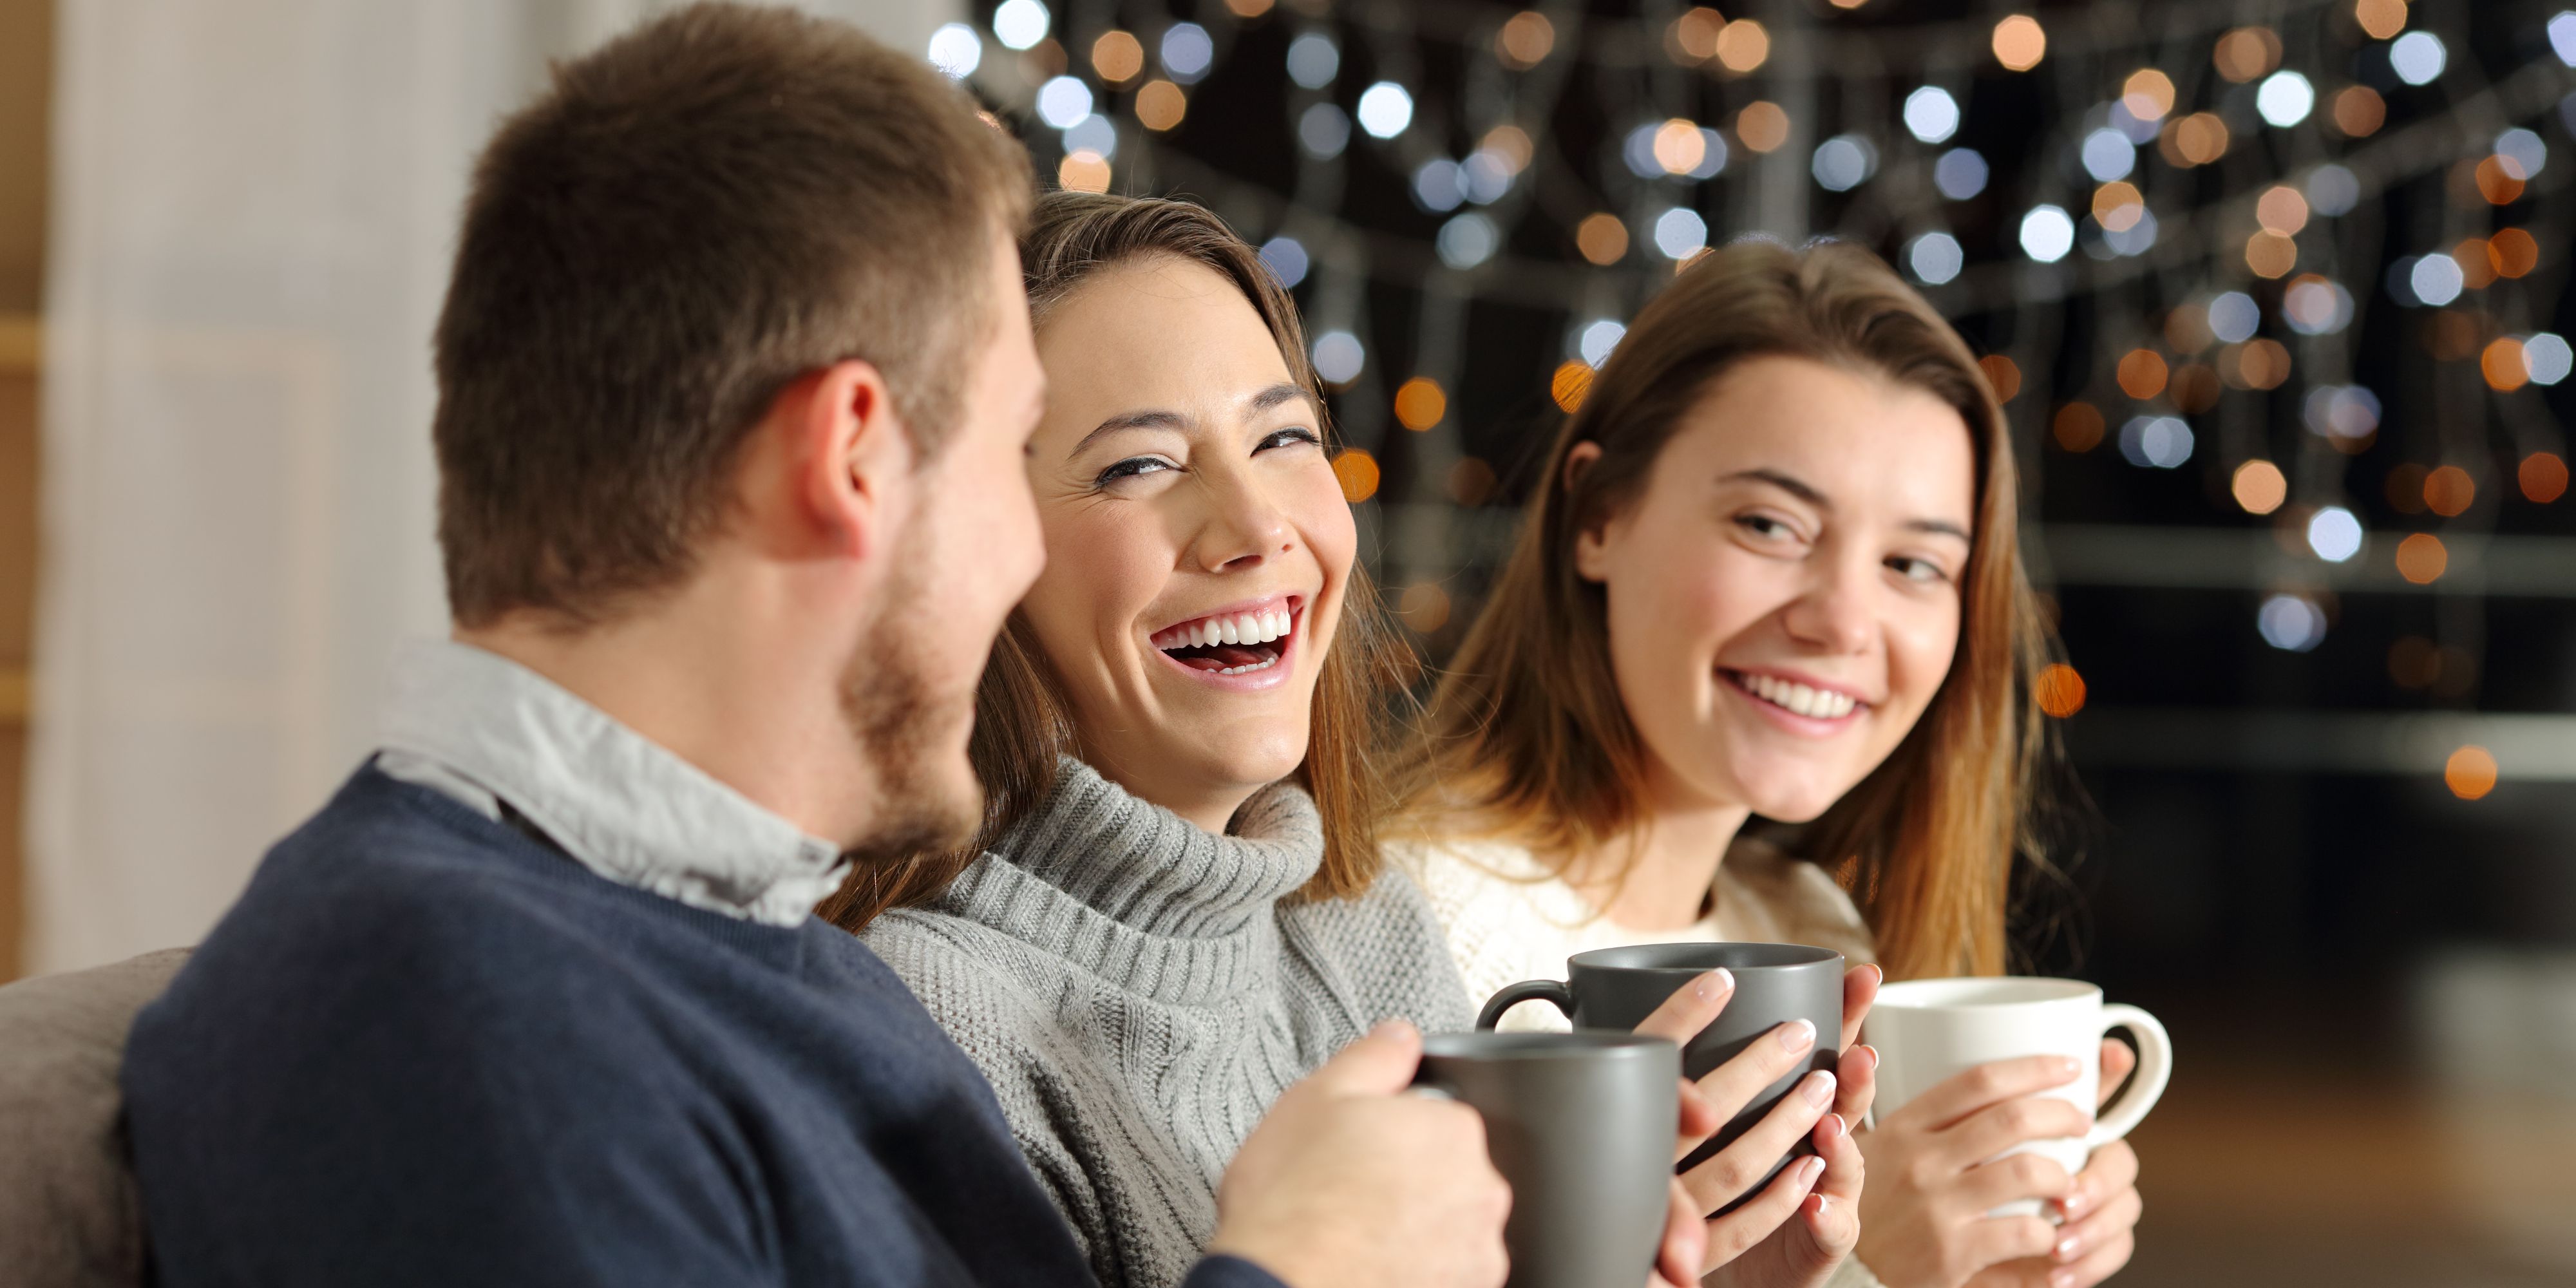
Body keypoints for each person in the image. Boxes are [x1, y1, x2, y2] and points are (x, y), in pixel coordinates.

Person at [118, 8, 1520, 1287]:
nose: (1016, 560)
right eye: (999, 451)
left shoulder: (785, 982)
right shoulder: (443, 1020)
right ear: (849, 459)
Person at [838, 191, 1873, 1288]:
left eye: (1284, 439)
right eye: (1137, 465)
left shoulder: (1363, 932)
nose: (1258, 527)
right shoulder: (925, 1022)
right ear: (975, 553)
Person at [1390, 239, 2144, 1288]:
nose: (1843, 621)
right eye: (1769, 524)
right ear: (1599, 516)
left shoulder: (1806, 928)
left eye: (1914, 565)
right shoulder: (1398, 934)